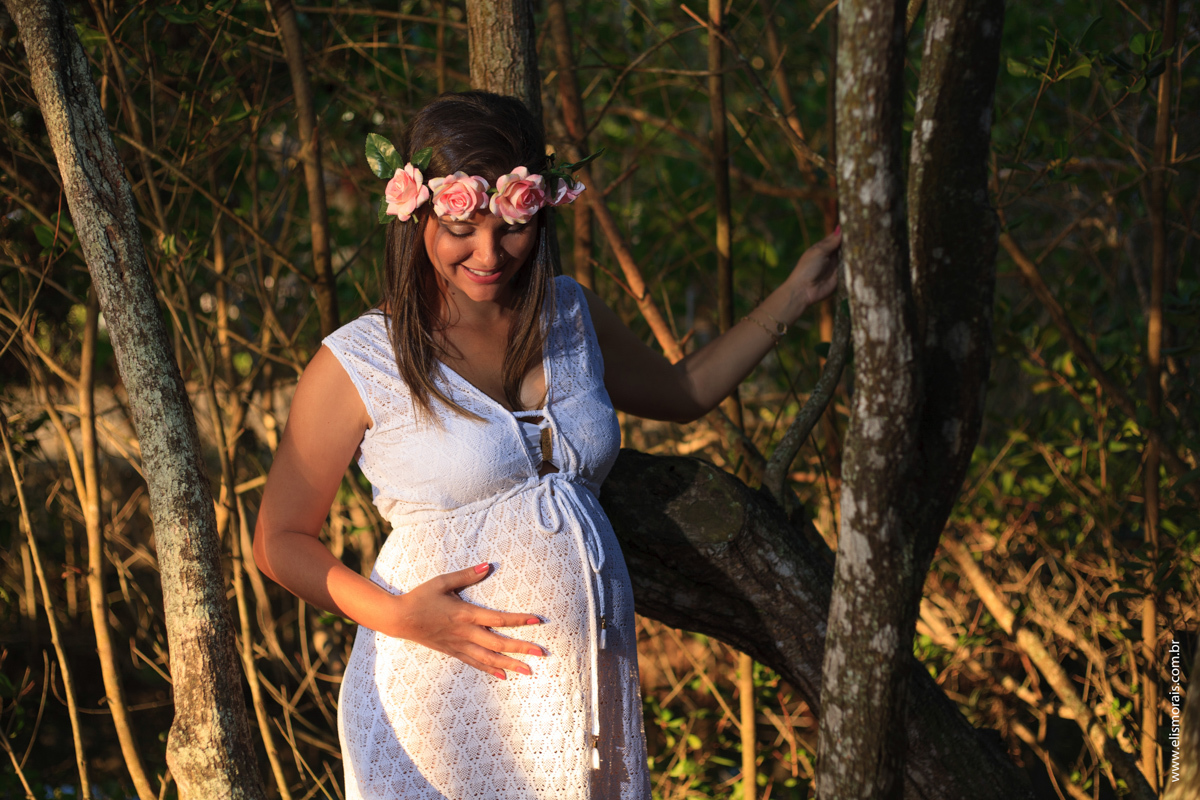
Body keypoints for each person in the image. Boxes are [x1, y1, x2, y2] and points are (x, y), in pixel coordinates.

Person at [253, 91, 840, 800]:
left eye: (512, 226)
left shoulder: (569, 313)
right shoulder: (362, 360)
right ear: (415, 216)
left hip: (582, 692)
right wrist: (401, 616)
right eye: (460, 227)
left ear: (540, 209)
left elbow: (682, 395)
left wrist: (795, 296)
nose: (488, 253)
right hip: (439, 698)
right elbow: (279, 540)